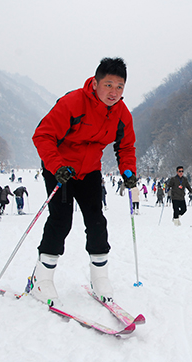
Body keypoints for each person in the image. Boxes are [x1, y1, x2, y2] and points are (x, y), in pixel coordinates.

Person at [29, 57, 137, 306]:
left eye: (120, 87)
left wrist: (128, 172)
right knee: (60, 220)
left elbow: (126, 147)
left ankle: (99, 278)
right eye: (108, 85)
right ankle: (42, 279)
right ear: (96, 82)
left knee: (97, 221)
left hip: (89, 171)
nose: (114, 92)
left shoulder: (121, 114)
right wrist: (57, 167)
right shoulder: (73, 103)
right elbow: (43, 135)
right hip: (61, 170)